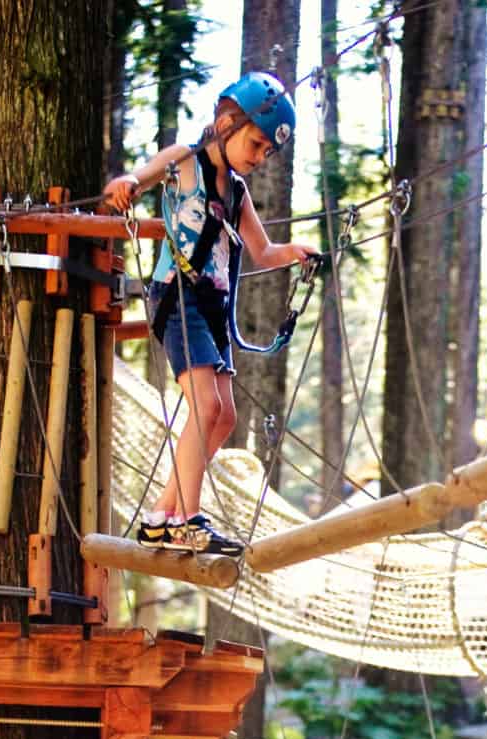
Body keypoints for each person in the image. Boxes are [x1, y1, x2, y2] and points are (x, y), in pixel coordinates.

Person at [104, 72, 319, 556]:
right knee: (205, 407)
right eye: (257, 142)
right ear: (226, 122)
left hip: (212, 305)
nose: (260, 156)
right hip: (178, 295)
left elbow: (262, 252)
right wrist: (128, 183)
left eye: (267, 151)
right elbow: (144, 175)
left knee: (223, 416)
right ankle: (187, 518)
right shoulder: (186, 162)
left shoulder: (236, 191)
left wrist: (296, 253)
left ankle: (162, 514)